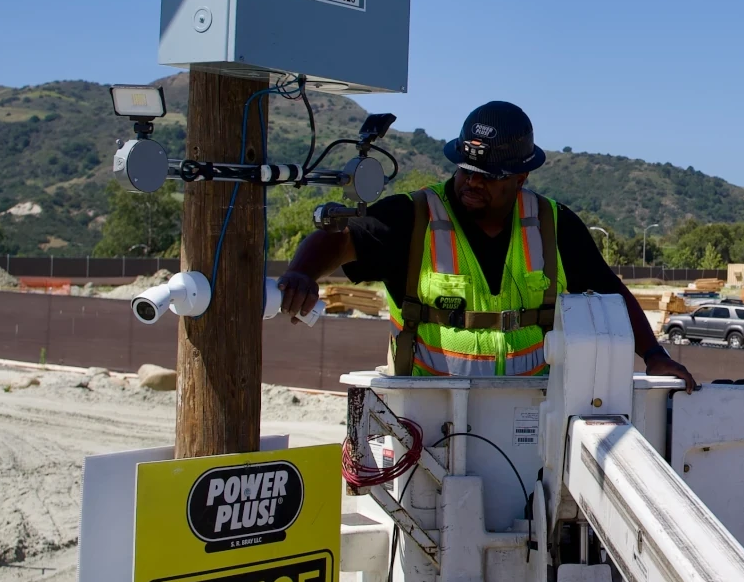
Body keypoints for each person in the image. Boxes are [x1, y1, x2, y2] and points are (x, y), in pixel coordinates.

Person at [277, 100, 695, 388]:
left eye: (487, 175)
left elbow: (610, 290)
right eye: (465, 170)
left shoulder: (553, 224)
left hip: (527, 411)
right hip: (428, 409)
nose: (472, 181)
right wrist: (301, 271)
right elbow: (340, 240)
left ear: (520, 178)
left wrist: (654, 354)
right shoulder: (412, 217)